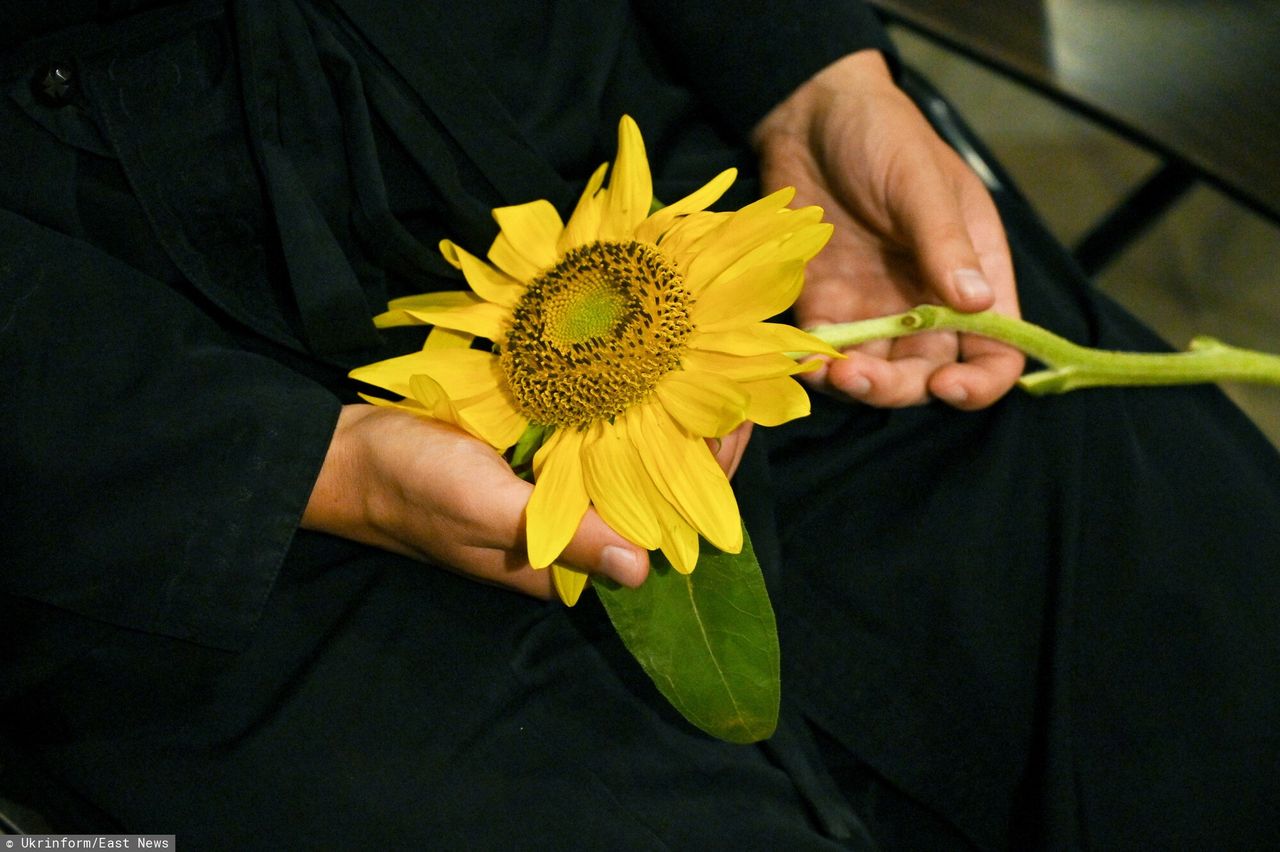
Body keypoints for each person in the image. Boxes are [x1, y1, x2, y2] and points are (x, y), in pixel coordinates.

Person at [2, 0, 1277, 848]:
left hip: (670, 176)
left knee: (1216, 647)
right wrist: (286, 465)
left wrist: (802, 72)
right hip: (117, 412)